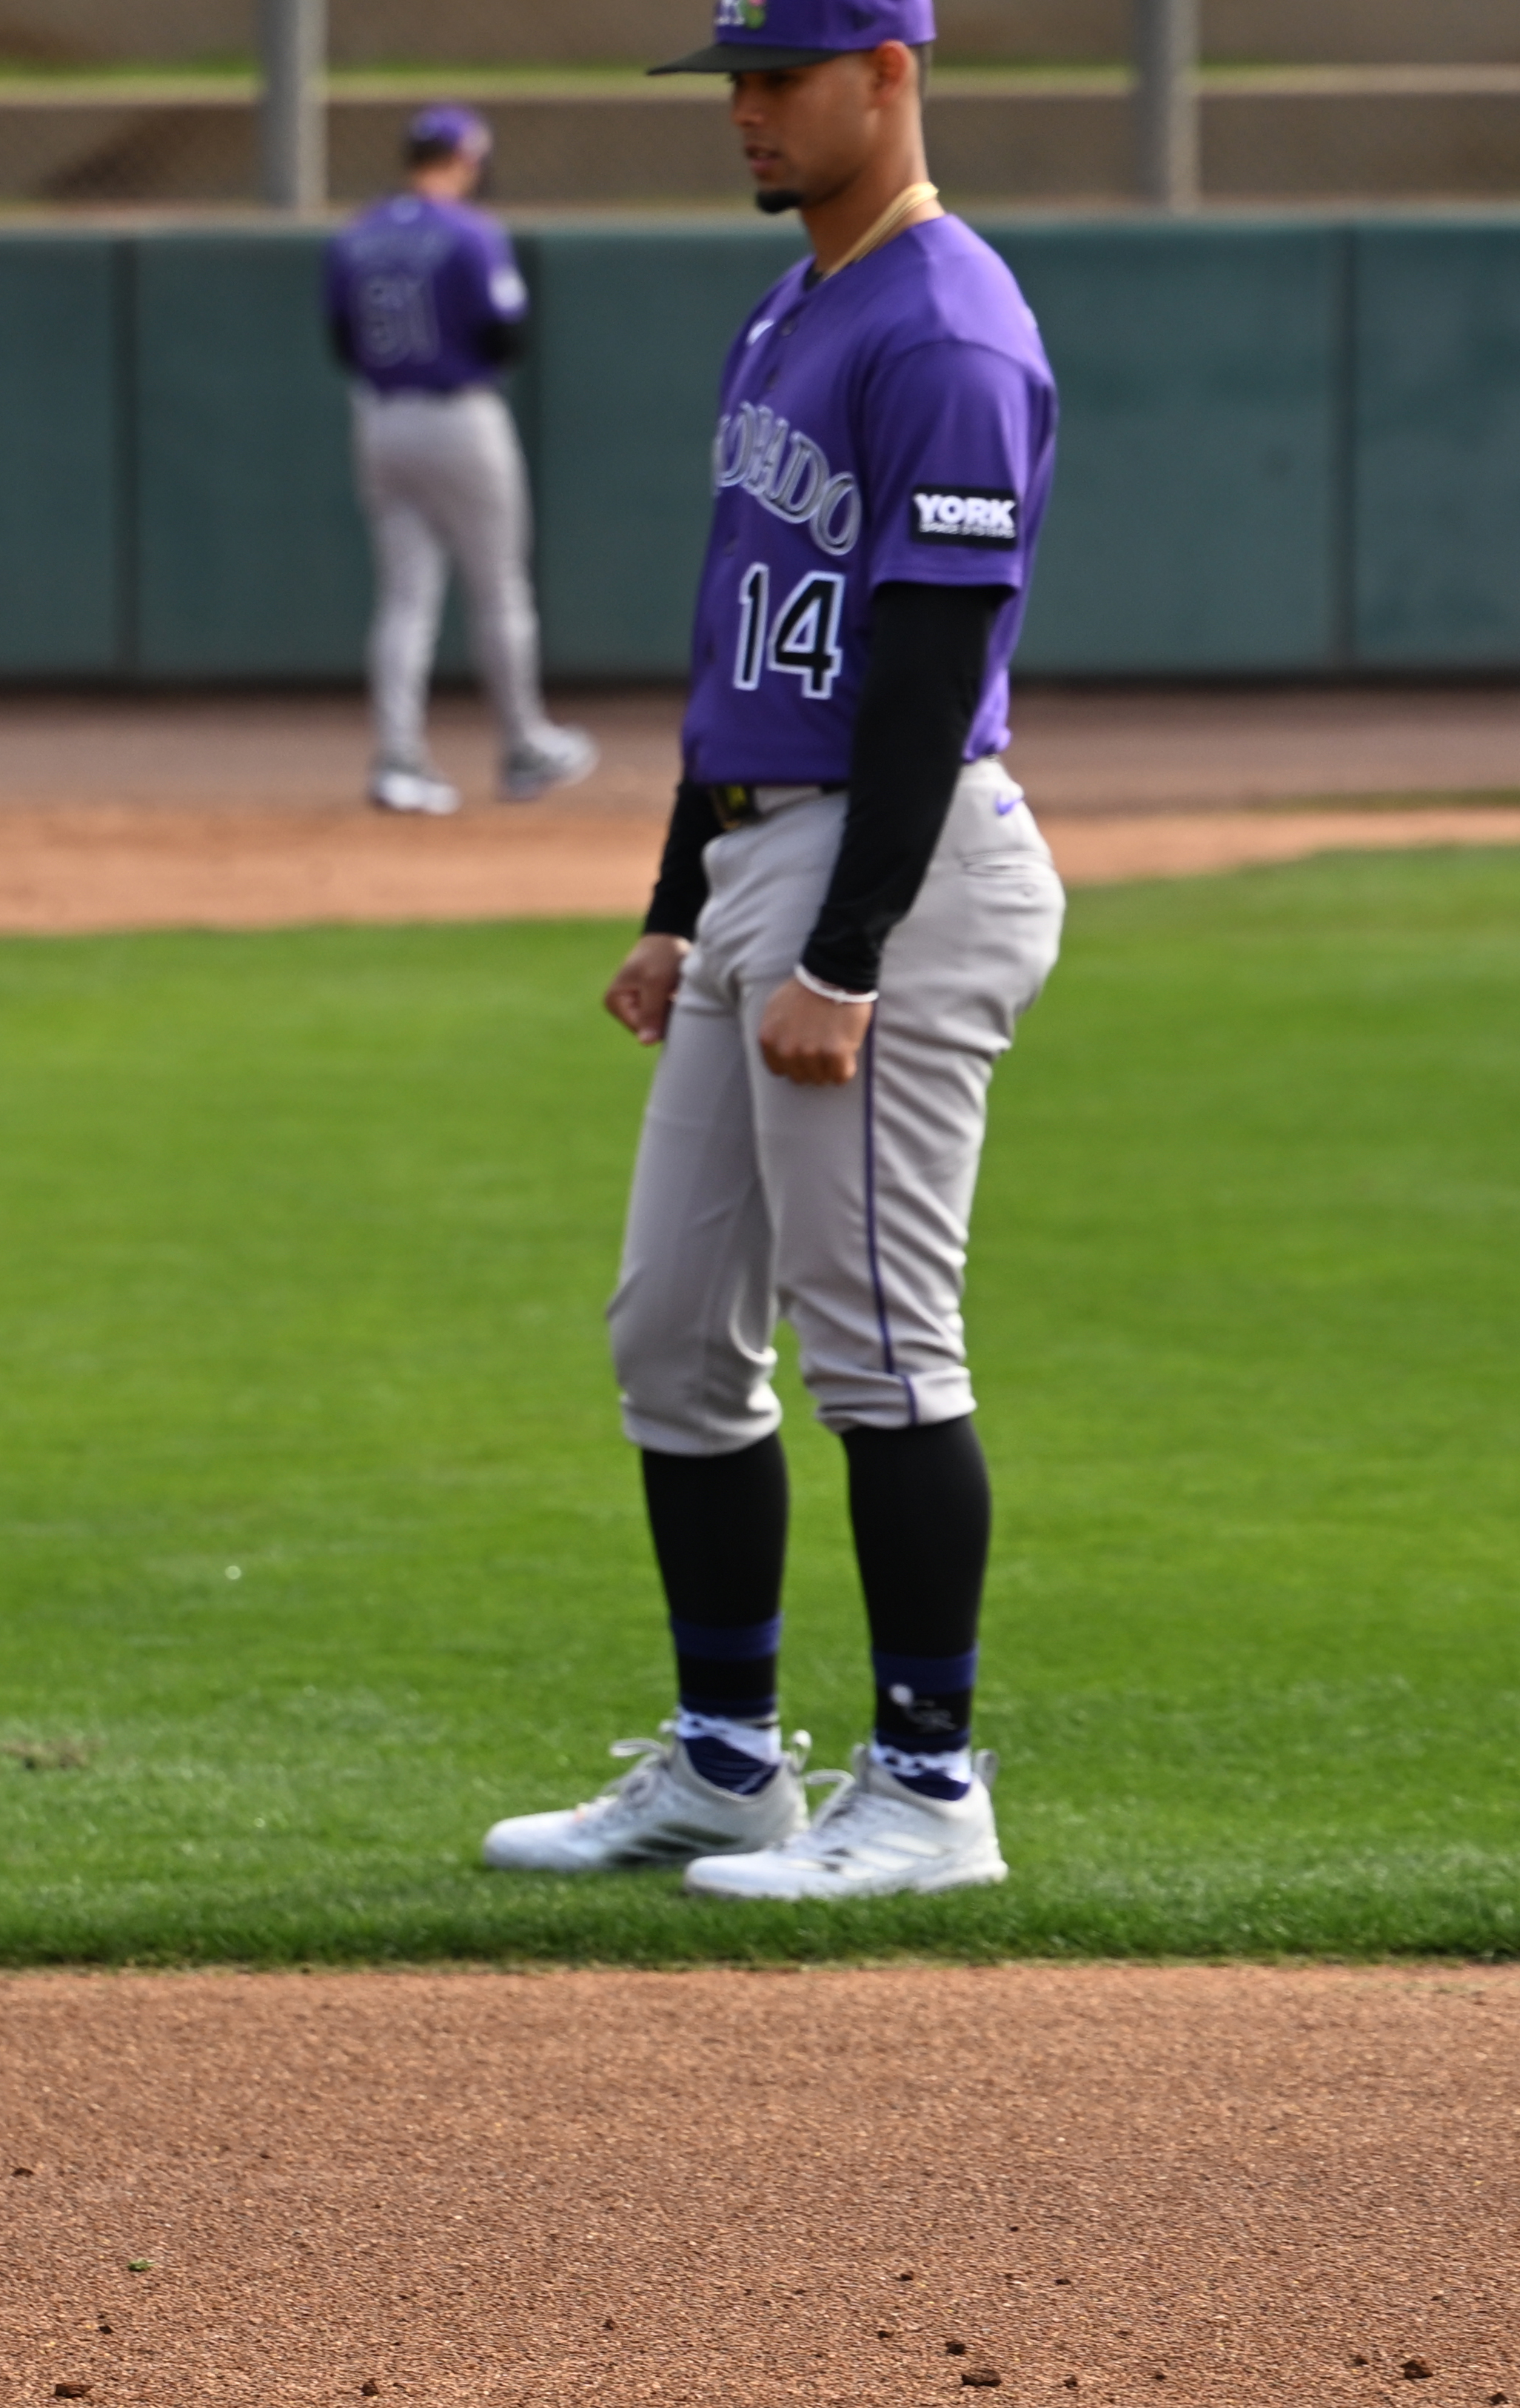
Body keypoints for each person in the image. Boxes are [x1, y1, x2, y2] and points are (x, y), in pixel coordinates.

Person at [481, 0, 1062, 1899]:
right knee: (669, 1333)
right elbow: (744, 643)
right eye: (727, 78)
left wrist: (842, 948)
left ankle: (926, 1787)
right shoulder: (794, 304)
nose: (737, 108)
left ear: (885, 76)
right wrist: (674, 904)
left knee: (880, 1350)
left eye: (773, 76)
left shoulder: (944, 327)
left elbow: (919, 675)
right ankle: (727, 1764)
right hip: (758, 858)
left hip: (882, 875)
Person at [322, 104, 593, 818]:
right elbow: (505, 335)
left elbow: (341, 343)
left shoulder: (355, 234)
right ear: (463, 159)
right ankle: (522, 745)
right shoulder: (470, 233)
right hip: (457, 414)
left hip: (379, 418)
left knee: (405, 596)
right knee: (498, 587)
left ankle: (397, 760)